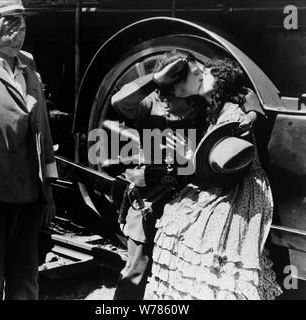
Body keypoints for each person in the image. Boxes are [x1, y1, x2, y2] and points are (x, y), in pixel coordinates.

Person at [111, 49, 264, 300]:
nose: (202, 75)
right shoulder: (151, 103)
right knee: (137, 269)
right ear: (177, 79)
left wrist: (251, 114)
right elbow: (119, 102)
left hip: (188, 196)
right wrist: (156, 79)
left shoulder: (199, 102)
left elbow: (243, 91)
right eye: (195, 73)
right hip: (151, 195)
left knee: (182, 269)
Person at [145, 58, 282, 300]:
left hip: (239, 185)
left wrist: (190, 155)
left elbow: (226, 161)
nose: (200, 76)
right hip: (225, 181)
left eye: (206, 73)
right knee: (178, 221)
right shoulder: (213, 109)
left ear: (220, 81)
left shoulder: (232, 111)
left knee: (203, 241)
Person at [0, 0, 57, 300]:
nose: (18, 34)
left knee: (25, 281)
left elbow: (44, 133)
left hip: (28, 199)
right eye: (9, 27)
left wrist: (47, 191)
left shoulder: (29, 69)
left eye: (22, 26)